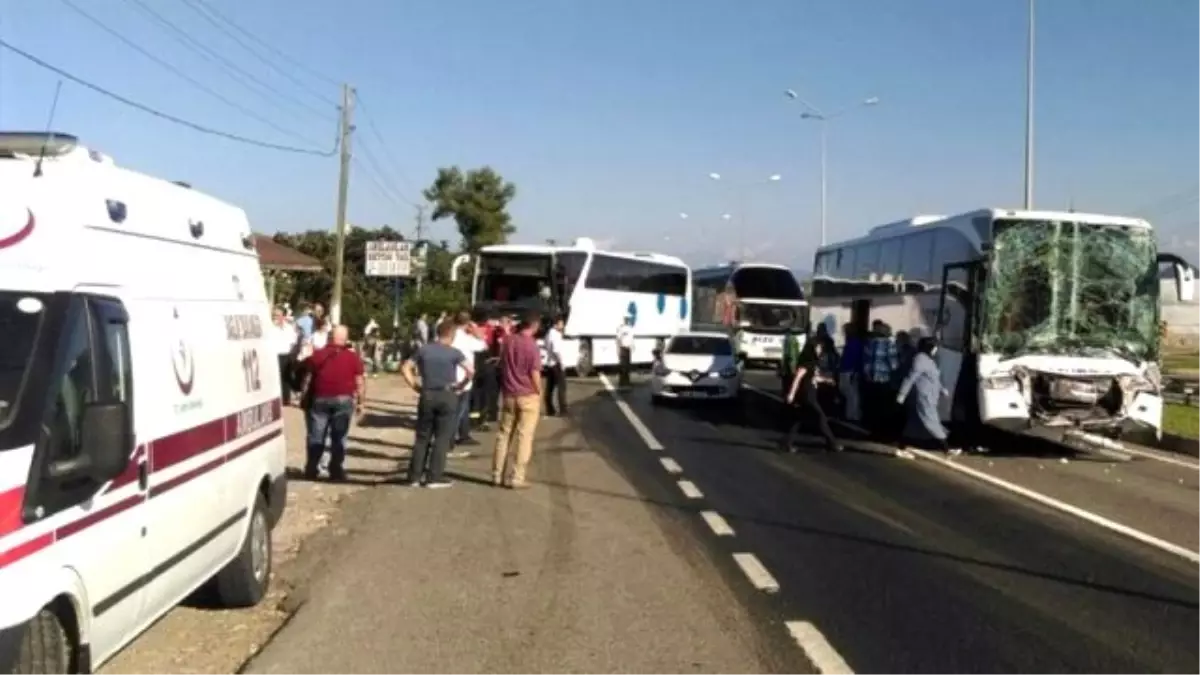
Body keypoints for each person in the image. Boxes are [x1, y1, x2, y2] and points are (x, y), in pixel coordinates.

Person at [401, 320, 473, 488]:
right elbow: (470, 371)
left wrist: (415, 385)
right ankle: (434, 477)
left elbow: (406, 367)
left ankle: (414, 476)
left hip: (427, 393)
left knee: (422, 436)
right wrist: (461, 385)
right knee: (441, 437)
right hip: (447, 394)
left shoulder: (424, 350)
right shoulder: (454, 353)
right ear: (452, 335)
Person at [300, 325, 366, 481]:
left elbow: (307, 379)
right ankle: (336, 470)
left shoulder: (318, 355)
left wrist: (303, 397)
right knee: (339, 437)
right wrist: (361, 403)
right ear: (345, 339)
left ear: (330, 337)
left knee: (316, 436)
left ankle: (312, 468)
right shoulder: (353, 357)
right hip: (344, 400)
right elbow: (359, 381)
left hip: (320, 399)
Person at [492, 312, 543, 488]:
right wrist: (539, 392)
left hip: (508, 394)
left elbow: (501, 362)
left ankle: (497, 474)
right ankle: (517, 477)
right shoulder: (532, 346)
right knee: (524, 437)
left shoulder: (508, 341)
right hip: (527, 394)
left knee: (504, 435)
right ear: (534, 326)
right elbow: (534, 373)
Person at [896, 337, 958, 455]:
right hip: (924, 397)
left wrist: (942, 389)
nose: (936, 350)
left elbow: (933, 378)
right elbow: (911, 378)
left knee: (913, 426)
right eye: (935, 347)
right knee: (932, 422)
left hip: (930, 397)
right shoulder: (920, 359)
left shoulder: (930, 360)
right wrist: (902, 394)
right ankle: (946, 449)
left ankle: (901, 447)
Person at [783, 337, 843, 453]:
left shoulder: (813, 362)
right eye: (818, 347)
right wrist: (791, 394)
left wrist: (826, 380)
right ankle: (832, 443)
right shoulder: (807, 362)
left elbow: (813, 378)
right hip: (807, 395)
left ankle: (786, 443)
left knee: (799, 420)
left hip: (811, 393)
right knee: (821, 418)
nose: (820, 350)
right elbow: (798, 378)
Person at [450, 312, 487, 454]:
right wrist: (476, 330)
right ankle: (450, 439)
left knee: (462, 410)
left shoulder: (451, 336)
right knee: (458, 410)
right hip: (464, 379)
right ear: (467, 323)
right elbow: (483, 345)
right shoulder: (466, 338)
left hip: (451, 377)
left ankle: (463, 434)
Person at [862, 320, 899, 437]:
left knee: (872, 406)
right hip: (884, 379)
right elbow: (894, 365)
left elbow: (866, 361)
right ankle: (882, 432)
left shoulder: (870, 343)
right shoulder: (889, 344)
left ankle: (871, 430)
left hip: (870, 379)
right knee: (884, 407)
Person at [271, 307, 298, 404]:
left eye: (278, 315)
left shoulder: (289, 328)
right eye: (274, 315)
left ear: (283, 316)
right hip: (275, 355)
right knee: (276, 378)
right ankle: (276, 398)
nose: (275, 317)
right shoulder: (270, 327)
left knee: (286, 378)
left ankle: (285, 399)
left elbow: (293, 340)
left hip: (286, 355)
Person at [543, 315, 568, 416]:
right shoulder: (555, 335)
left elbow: (546, 345)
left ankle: (550, 409)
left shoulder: (548, 334)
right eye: (561, 323)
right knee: (562, 387)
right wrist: (562, 363)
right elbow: (557, 350)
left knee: (550, 387)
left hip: (550, 363)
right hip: (556, 364)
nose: (563, 325)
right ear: (556, 324)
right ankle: (563, 409)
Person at [839, 323, 864, 422]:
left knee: (851, 394)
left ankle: (852, 415)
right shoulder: (853, 342)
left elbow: (856, 358)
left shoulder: (853, 343)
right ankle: (852, 414)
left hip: (849, 370)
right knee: (851, 394)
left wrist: (855, 371)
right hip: (848, 370)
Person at [780, 324, 802, 399]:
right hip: (789, 364)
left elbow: (791, 354)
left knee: (789, 380)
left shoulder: (790, 339)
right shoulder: (791, 339)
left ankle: (789, 395)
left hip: (789, 364)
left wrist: (792, 367)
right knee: (788, 380)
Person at [616, 314, 635, 387]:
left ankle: (627, 381)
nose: (627, 320)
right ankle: (621, 382)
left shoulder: (630, 328)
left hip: (628, 348)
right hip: (623, 348)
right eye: (626, 319)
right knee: (622, 366)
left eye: (628, 319)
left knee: (627, 366)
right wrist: (618, 348)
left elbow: (631, 338)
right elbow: (618, 339)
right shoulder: (621, 328)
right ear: (624, 320)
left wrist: (633, 346)